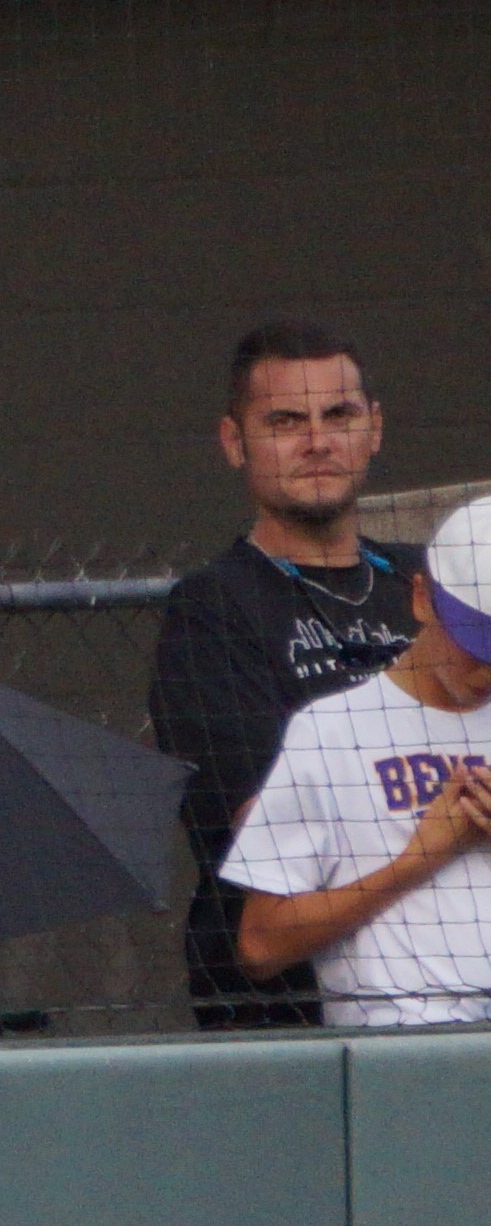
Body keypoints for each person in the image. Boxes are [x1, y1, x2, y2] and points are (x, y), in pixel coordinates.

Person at [152, 323, 410, 1031]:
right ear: (234, 442)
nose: (317, 441)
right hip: (279, 1011)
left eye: (339, 415)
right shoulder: (211, 608)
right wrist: (439, 816)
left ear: (373, 429)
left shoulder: (432, 585)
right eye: (284, 421)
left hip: (453, 988)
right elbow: (257, 820)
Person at [222, 497, 491, 1025]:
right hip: (401, 1043)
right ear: (421, 599)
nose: (487, 672)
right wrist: (421, 858)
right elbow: (260, 946)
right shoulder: (332, 729)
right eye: (475, 647)